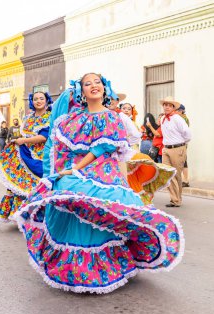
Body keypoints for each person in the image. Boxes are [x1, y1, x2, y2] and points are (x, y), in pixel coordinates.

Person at [12, 73, 184, 293]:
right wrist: (65, 169)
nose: (93, 86)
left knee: (104, 209)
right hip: (83, 171)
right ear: (81, 91)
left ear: (104, 88)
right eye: (87, 83)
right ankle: (77, 268)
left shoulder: (113, 117)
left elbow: (103, 150)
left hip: (104, 173)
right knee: (71, 201)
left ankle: (112, 264)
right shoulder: (74, 118)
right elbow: (59, 145)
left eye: (97, 83)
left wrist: (121, 183)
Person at [0, 91, 52, 222]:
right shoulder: (28, 118)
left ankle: (38, 215)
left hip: (40, 154)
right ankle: (19, 213)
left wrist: (23, 141)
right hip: (23, 152)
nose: (38, 101)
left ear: (46, 100)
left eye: (41, 98)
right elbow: (24, 135)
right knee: (17, 182)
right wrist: (17, 141)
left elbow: (44, 137)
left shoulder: (49, 117)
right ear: (32, 102)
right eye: (35, 99)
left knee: (37, 182)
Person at [108, 97, 175, 205]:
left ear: (117, 102)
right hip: (110, 154)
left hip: (120, 154)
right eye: (124, 108)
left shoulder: (121, 116)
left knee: (122, 182)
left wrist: (122, 144)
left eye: (128, 108)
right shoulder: (105, 114)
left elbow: (136, 135)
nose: (110, 101)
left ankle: (127, 206)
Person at [160, 97, 192, 207]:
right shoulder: (162, 118)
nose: (167, 107)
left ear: (173, 107)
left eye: (170, 105)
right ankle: (174, 199)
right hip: (166, 149)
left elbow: (187, 133)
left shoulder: (178, 118)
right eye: (165, 105)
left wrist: (182, 144)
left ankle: (177, 199)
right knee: (168, 174)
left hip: (178, 148)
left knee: (177, 175)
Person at [176, 104, 190, 187]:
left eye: (177, 110)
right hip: (182, 143)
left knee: (183, 161)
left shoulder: (183, 118)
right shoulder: (183, 118)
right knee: (183, 161)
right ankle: (184, 179)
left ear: (181, 111)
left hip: (182, 143)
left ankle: (185, 180)